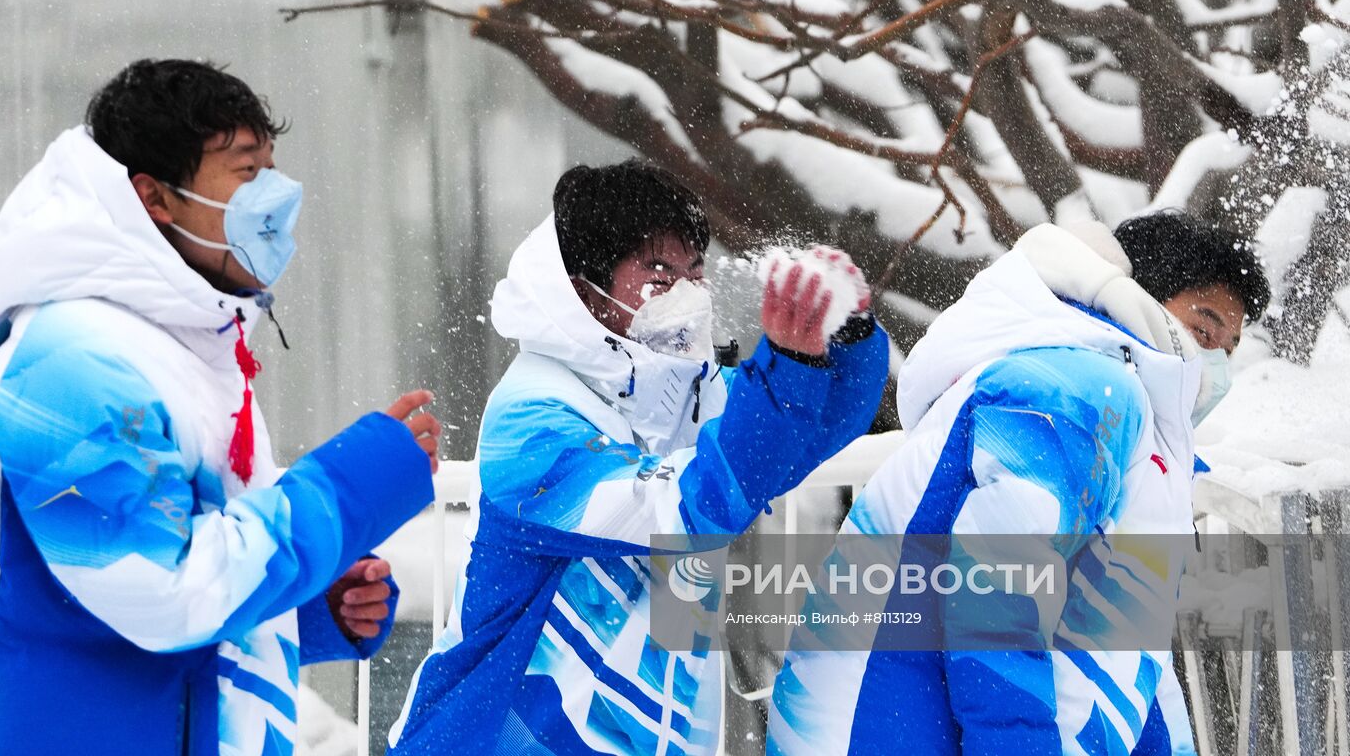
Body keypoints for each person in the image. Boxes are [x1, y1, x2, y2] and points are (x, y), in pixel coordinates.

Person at [0, 59, 440, 755]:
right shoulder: (72, 364)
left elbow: (151, 589)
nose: (275, 196)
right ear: (154, 197)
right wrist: (352, 484)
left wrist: (306, 609)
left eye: (272, 167)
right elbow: (165, 593)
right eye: (246, 172)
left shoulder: (180, 344)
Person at [388, 160, 890, 755]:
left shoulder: (681, 396)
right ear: (585, 291)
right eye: (658, 272)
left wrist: (845, 333)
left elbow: (806, 435)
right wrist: (788, 365)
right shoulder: (530, 419)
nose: (685, 294)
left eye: (694, 271)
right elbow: (680, 515)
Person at [767, 212, 1270, 755]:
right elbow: (995, 597)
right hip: (885, 721)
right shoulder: (1076, 391)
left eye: (1230, 346)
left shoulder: (1139, 432)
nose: (1215, 359)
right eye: (1204, 326)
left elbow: (1134, 660)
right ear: (1140, 293)